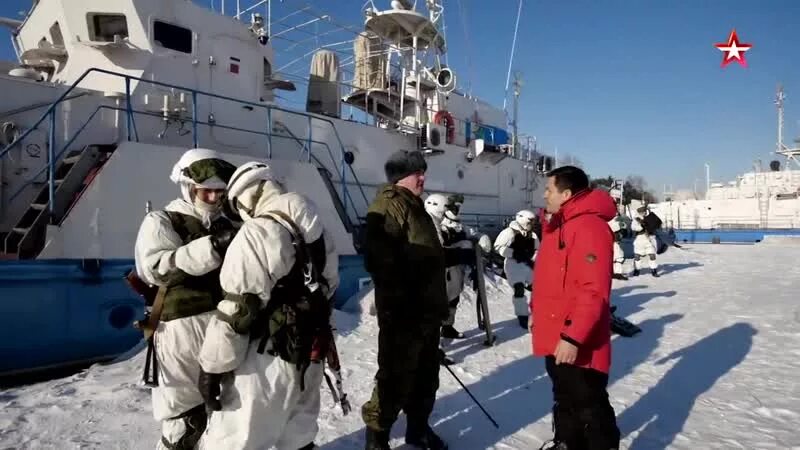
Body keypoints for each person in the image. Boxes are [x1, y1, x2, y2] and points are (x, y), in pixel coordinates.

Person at [195, 161, 340, 450]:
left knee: (235, 440)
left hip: (266, 363)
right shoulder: (321, 230)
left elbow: (237, 311)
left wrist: (212, 368)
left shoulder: (257, 233)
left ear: (245, 199)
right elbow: (329, 288)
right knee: (298, 439)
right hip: (309, 356)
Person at [133, 148, 237, 449]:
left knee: (224, 412)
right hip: (180, 331)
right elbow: (157, 270)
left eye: (221, 192)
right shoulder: (162, 221)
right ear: (189, 188)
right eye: (207, 192)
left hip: (223, 327)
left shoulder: (228, 224)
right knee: (185, 419)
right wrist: (212, 247)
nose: (215, 199)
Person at [361, 150, 449, 450]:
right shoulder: (389, 206)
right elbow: (381, 262)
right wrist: (404, 302)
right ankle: (377, 437)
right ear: (401, 178)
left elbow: (420, 252)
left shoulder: (415, 207)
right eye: (417, 173)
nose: (423, 178)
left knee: (426, 376)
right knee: (395, 377)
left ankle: (418, 430)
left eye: (423, 172)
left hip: (425, 312)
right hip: (404, 313)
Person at [532, 165, 621, 450]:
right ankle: (567, 443)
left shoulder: (589, 227)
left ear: (567, 193)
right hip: (556, 333)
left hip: (577, 340)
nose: (544, 194)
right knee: (564, 397)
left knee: (589, 406)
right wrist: (536, 312)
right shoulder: (559, 225)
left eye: (549, 189)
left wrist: (573, 336)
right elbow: (550, 278)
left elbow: (593, 290)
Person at [424, 193, 491, 340]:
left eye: (458, 207)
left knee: (453, 299)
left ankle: (447, 327)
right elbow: (439, 248)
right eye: (453, 206)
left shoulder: (458, 225)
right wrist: (462, 250)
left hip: (456, 269)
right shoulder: (435, 224)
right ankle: (435, 345)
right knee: (438, 305)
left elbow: (470, 233)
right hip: (442, 271)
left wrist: (481, 237)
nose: (456, 210)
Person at [493, 209, 539, 329]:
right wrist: (513, 253)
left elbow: (538, 249)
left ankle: (539, 312)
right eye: (530, 222)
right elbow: (498, 247)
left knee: (538, 288)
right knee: (519, 290)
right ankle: (522, 315)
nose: (532, 225)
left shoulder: (532, 234)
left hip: (528, 265)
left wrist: (534, 258)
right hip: (513, 265)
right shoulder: (509, 232)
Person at [631, 205, 660, 277]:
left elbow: (655, 225)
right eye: (643, 211)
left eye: (645, 211)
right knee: (637, 256)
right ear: (640, 212)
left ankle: (654, 270)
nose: (644, 213)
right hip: (640, 239)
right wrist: (641, 226)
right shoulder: (636, 219)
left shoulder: (649, 218)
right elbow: (633, 227)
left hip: (649, 239)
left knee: (652, 255)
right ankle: (637, 270)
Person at [607, 212, 628, 280]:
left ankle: (615, 272)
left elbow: (624, 228)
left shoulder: (618, 221)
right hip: (612, 241)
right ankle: (616, 273)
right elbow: (613, 228)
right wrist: (619, 225)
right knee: (618, 257)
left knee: (617, 257)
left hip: (616, 241)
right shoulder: (610, 221)